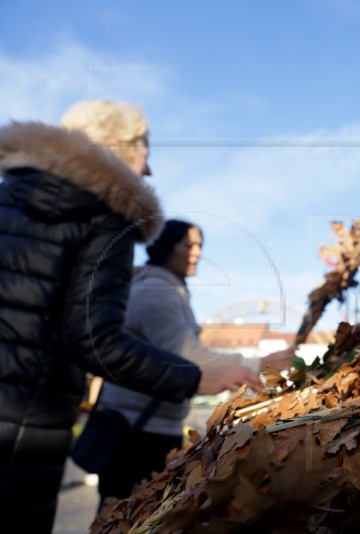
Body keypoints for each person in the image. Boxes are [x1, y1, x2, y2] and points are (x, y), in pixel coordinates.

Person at [0, 100, 260, 532]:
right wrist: (199, 378)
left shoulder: (7, 197)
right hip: (24, 429)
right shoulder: (104, 216)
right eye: (145, 152)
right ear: (115, 149)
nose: (149, 171)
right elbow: (94, 338)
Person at [96, 219, 294, 502]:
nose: (197, 252)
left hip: (145, 425)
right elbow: (186, 356)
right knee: (128, 513)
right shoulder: (157, 293)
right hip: (138, 433)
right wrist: (257, 363)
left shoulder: (163, 289)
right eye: (188, 244)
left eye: (200, 245)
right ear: (165, 246)